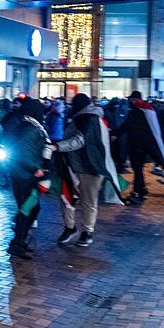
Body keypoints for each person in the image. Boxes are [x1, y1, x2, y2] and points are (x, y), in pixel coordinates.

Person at [51, 94, 113, 247]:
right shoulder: (81, 117)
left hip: (91, 167)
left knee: (88, 200)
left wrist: (58, 146)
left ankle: (86, 231)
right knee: (66, 197)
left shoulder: (90, 119)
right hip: (73, 164)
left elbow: (80, 140)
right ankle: (71, 227)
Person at [5, 103, 49, 259]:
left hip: (22, 174)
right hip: (25, 176)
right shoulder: (30, 130)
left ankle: (19, 240)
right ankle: (17, 243)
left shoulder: (27, 127)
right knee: (28, 209)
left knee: (30, 209)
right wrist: (35, 169)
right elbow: (23, 154)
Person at [112, 91, 164, 202]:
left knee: (137, 170)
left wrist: (114, 134)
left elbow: (128, 125)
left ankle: (137, 193)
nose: (129, 101)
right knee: (138, 170)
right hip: (142, 147)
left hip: (137, 146)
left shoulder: (138, 111)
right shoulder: (147, 109)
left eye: (131, 99)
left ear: (135, 99)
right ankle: (141, 189)